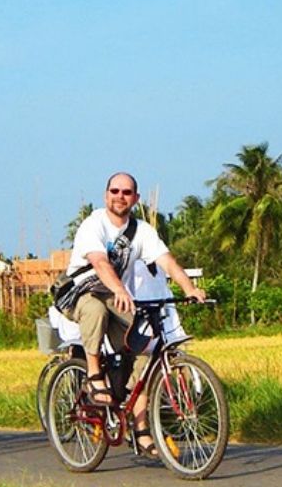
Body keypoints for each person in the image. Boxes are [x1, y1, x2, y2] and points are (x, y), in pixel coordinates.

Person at [61, 172, 206, 455]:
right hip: (80, 294)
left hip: (117, 297)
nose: (120, 196)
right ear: (106, 196)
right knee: (95, 309)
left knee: (144, 346)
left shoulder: (142, 231)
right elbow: (100, 264)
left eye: (127, 192)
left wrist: (189, 288)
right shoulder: (93, 225)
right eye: (115, 191)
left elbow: (167, 261)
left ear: (135, 199)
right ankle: (93, 373)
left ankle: (140, 428)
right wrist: (121, 290)